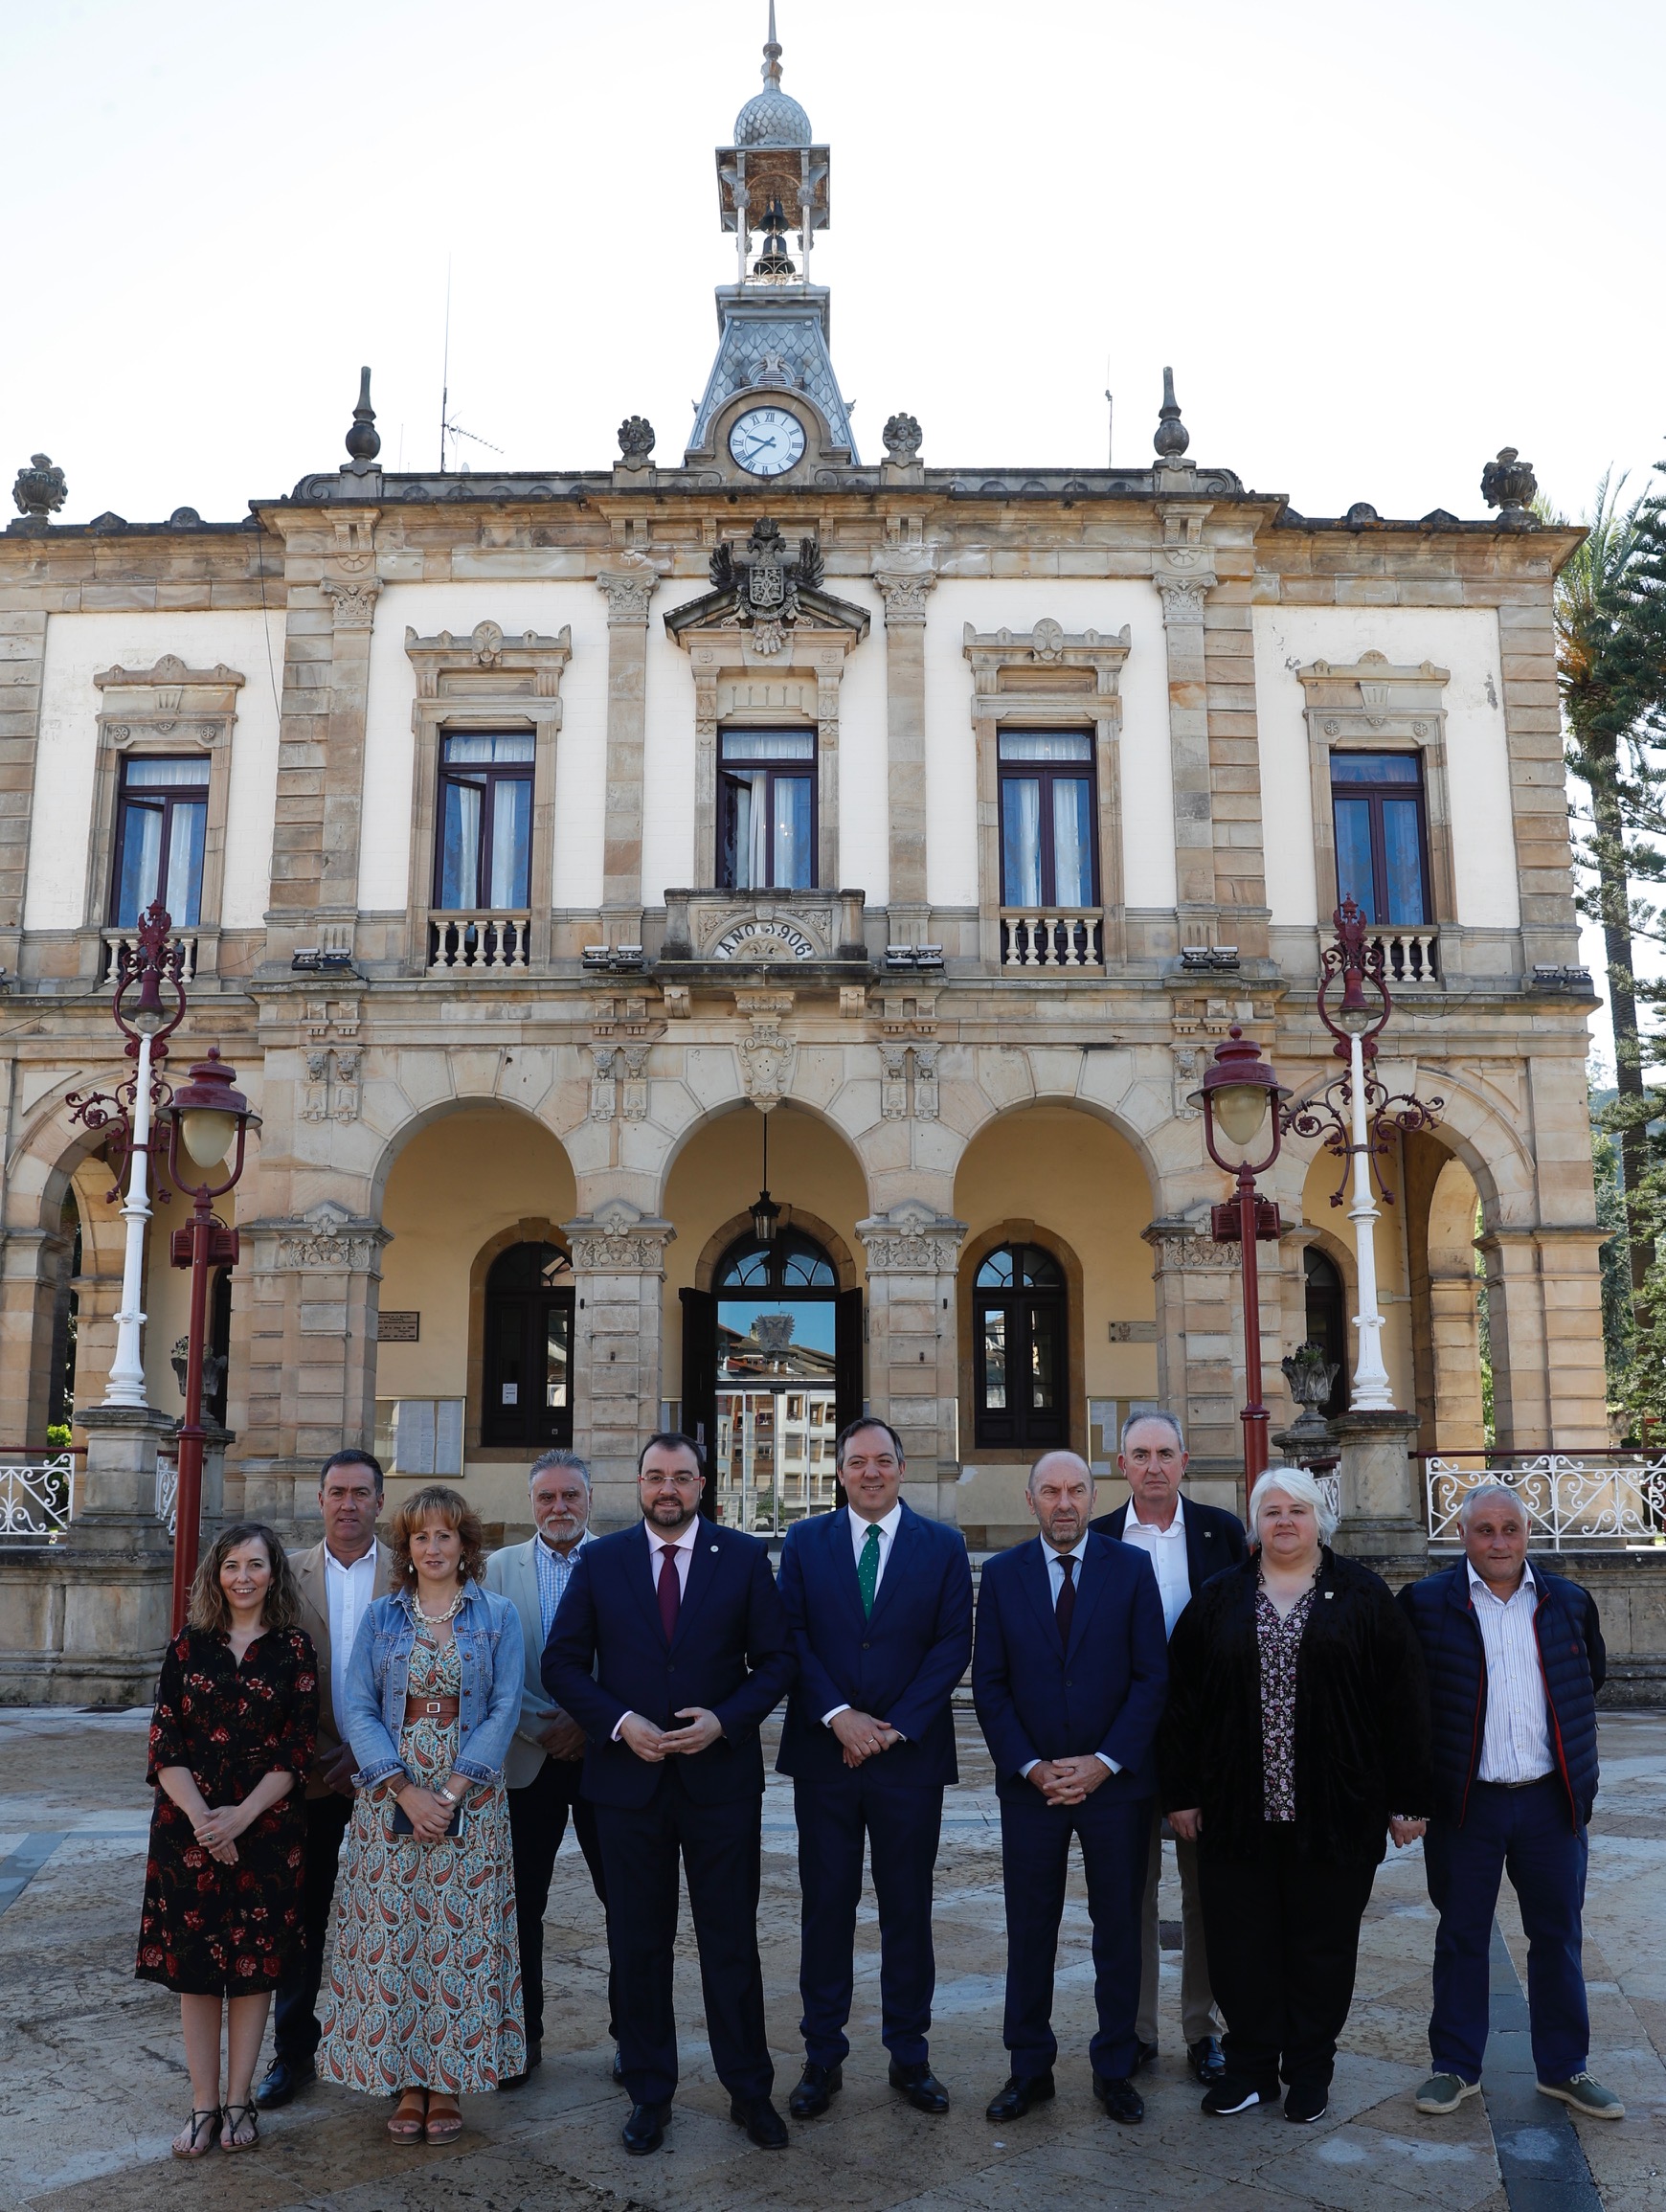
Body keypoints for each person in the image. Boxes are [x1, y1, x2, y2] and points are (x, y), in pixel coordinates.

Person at [543, 1432, 797, 2157]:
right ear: (639, 1484)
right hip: (628, 1786)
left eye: (681, 1477)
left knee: (730, 1942)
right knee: (637, 1944)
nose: (667, 1489)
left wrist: (726, 1720)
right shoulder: (602, 1561)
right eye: (655, 1476)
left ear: (701, 1485)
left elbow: (777, 1661)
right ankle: (649, 2093)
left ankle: (749, 2090)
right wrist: (620, 1723)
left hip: (720, 1783)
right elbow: (562, 1664)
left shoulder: (742, 1557)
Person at [1160, 1467, 1431, 2126]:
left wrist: (1408, 1799)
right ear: (1255, 1522)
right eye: (1272, 1511)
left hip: (1335, 1809)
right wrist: (1182, 1792)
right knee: (1240, 1945)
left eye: (1298, 1510)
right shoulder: (1220, 1597)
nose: (1285, 1521)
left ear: (1320, 1520)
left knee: (1322, 1946)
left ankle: (1309, 2069)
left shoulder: (1364, 1595)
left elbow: (1404, 1702)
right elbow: (1181, 1702)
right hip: (1235, 1810)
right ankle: (1251, 2067)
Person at [1399, 1483, 1623, 2121]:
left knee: (1558, 1935)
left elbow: (1589, 1677)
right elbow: (1404, 1705)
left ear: (1527, 1534)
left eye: (1510, 1529)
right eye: (1484, 1530)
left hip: (1551, 1802)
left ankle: (1566, 2068)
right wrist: (1407, 1797)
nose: (1499, 1542)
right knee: (1462, 1934)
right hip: (1466, 1804)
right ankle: (1454, 2067)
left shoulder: (1567, 1600)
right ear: (1461, 1535)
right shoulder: (1424, 1604)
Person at [777, 1417, 974, 2120]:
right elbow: (790, 1635)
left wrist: (892, 1728)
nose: (870, 1473)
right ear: (839, 1472)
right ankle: (822, 2056)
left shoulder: (943, 1545)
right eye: (857, 1462)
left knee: (907, 1909)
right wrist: (839, 1716)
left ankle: (909, 2055)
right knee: (826, 1907)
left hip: (908, 1759)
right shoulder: (804, 1542)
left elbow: (952, 1644)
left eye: (882, 1461)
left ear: (901, 1468)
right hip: (825, 1756)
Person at [319, 1483, 526, 2142]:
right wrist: (404, 1790)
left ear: (465, 1544)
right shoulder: (382, 1617)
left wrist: (453, 1791)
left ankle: (447, 2082)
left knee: (458, 1943)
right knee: (397, 1937)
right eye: (420, 1537)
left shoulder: (498, 1615)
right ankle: (407, 2082)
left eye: (445, 1535)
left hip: (473, 1794)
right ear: (405, 1548)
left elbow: (505, 1707)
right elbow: (358, 1705)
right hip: (391, 1793)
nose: (433, 1548)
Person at [972, 1449, 1168, 2128]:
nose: (1064, 1503)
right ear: (1030, 1501)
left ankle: (1115, 2068)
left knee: (1118, 1929)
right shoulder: (1003, 1575)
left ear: (1092, 1498)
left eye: (1076, 1490)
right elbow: (990, 1684)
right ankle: (1029, 2068)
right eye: (1050, 1491)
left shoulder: (1131, 1568)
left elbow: (1151, 1677)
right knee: (1031, 1930)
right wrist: (1031, 1766)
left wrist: (1104, 1762)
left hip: (1114, 1789)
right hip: (1032, 1790)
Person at [136, 1523, 317, 2159]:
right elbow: (165, 1743)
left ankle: (240, 2100)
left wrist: (240, 1818)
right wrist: (205, 1822)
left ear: (274, 1574)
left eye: (256, 1565)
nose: (244, 1577)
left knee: (253, 1967)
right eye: (232, 1565)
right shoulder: (187, 1647)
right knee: (196, 1973)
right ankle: (203, 2105)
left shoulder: (294, 1648)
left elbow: (298, 1748)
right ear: (216, 1574)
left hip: (267, 1831)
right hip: (187, 1832)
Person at [1091, 1409, 1245, 2086]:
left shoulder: (1222, 1532)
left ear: (1185, 1462)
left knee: (1206, 1894)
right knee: (1130, 1896)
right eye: (1140, 1454)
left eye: (1164, 1454)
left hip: (1203, 1745)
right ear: (1121, 1465)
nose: (1153, 1466)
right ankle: (1137, 2030)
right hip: (1121, 1745)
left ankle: (1202, 2030)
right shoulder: (1097, 1537)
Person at [259, 1448, 394, 2110]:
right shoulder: (285, 1574)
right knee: (301, 1916)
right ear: (320, 1500)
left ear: (380, 1502)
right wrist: (314, 1752)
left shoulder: (409, 1572)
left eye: (360, 1492)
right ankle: (293, 2052)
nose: (348, 1504)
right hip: (309, 1774)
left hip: (391, 1774)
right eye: (337, 1492)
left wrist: (371, 1755)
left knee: (393, 1917)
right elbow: (269, 1676)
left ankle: (395, 2052)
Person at [484, 1447, 617, 2088]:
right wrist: (542, 1727)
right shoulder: (495, 1569)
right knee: (519, 1906)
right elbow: (485, 1666)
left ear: (590, 1499)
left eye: (570, 1496)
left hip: (607, 1757)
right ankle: (522, 2037)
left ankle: (633, 2037)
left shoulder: (621, 1561)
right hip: (524, 1759)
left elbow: (639, 1659)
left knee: (626, 1902)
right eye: (547, 1497)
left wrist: (588, 1724)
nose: (559, 1507)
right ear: (531, 1503)